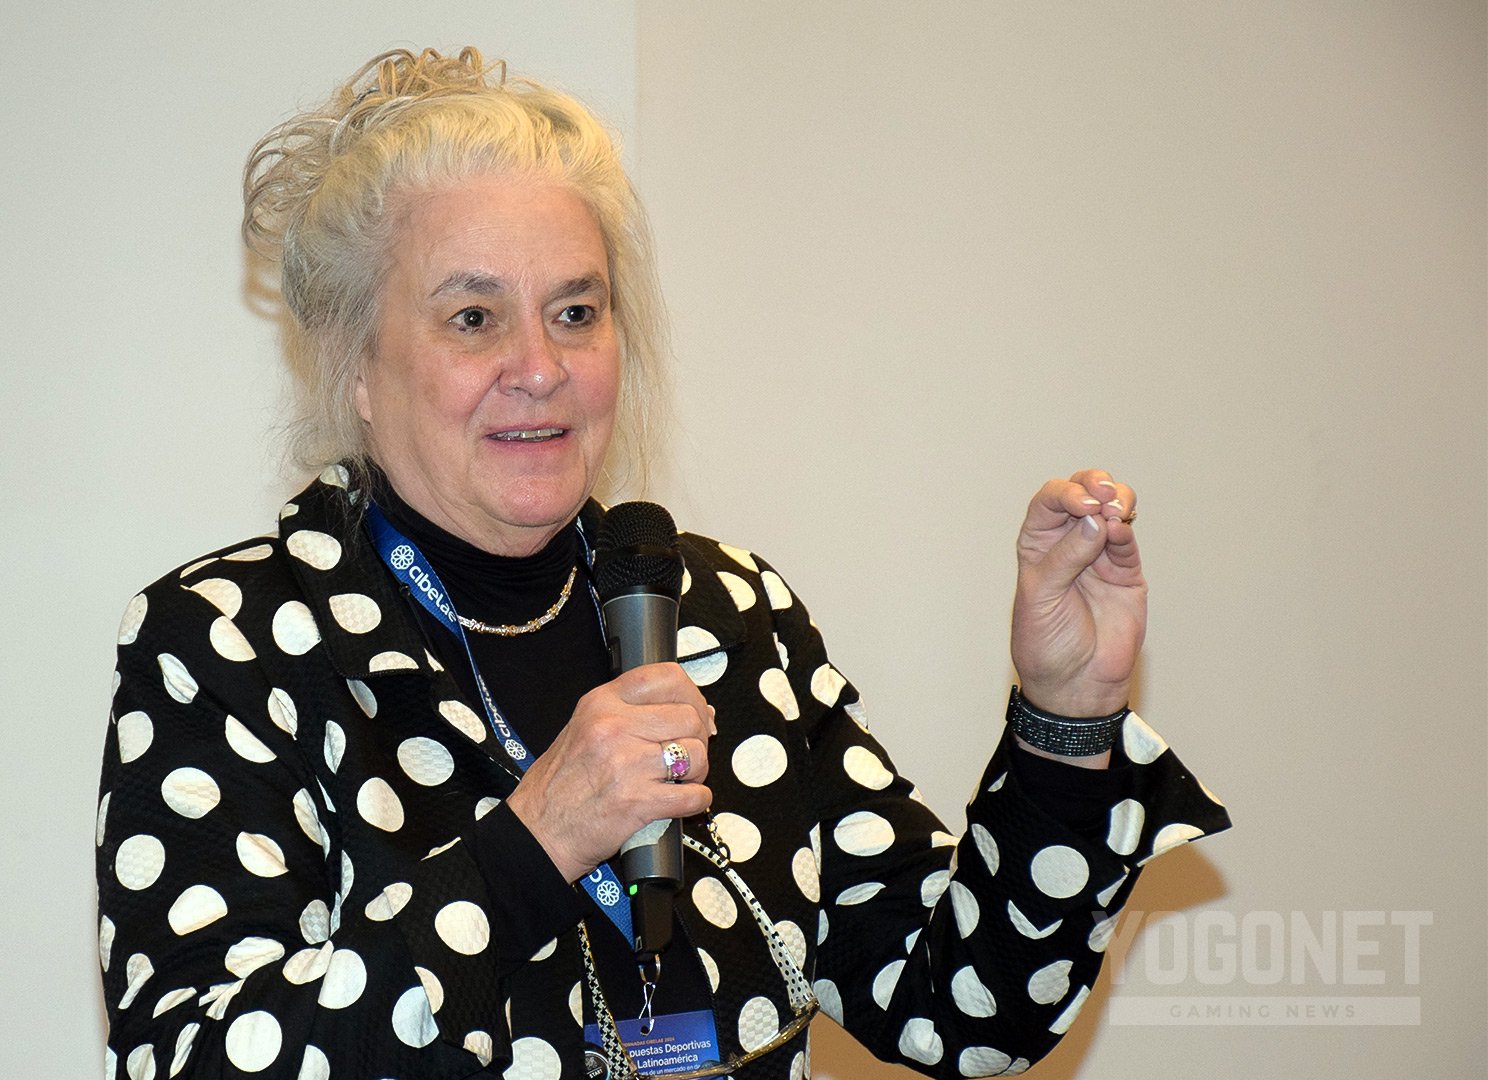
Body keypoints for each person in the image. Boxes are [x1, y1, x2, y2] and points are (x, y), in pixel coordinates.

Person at [95, 47, 1229, 1080]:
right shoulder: (231, 645)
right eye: (474, 318)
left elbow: (963, 1007)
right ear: (355, 364)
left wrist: (1065, 719)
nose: (540, 367)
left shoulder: (723, 612)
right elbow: (195, 1065)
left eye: (575, 311)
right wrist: (535, 844)